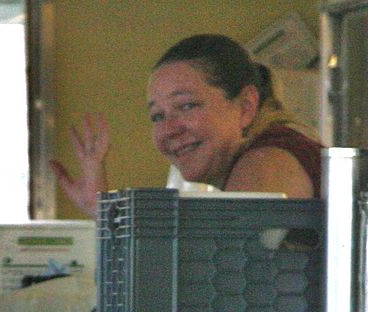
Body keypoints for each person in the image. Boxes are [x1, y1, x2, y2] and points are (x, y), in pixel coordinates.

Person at [53, 33, 323, 217]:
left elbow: (216, 277)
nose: (169, 130)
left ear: (245, 106)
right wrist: (102, 211)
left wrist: (107, 215)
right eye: (158, 116)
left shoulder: (265, 164)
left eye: (187, 105)